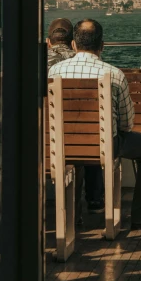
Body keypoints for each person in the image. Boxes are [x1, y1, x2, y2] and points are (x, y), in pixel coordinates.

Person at [49, 19, 141, 230]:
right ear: (102, 46)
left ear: (74, 45)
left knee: (74, 156)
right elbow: (126, 123)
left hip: (61, 145)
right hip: (104, 145)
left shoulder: (53, 73)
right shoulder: (114, 74)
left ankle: (72, 216)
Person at [46, 17, 104, 215]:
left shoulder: (47, 67)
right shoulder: (95, 65)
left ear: (48, 41)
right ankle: (95, 199)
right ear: (73, 42)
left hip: (51, 136)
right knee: (94, 128)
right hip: (90, 136)